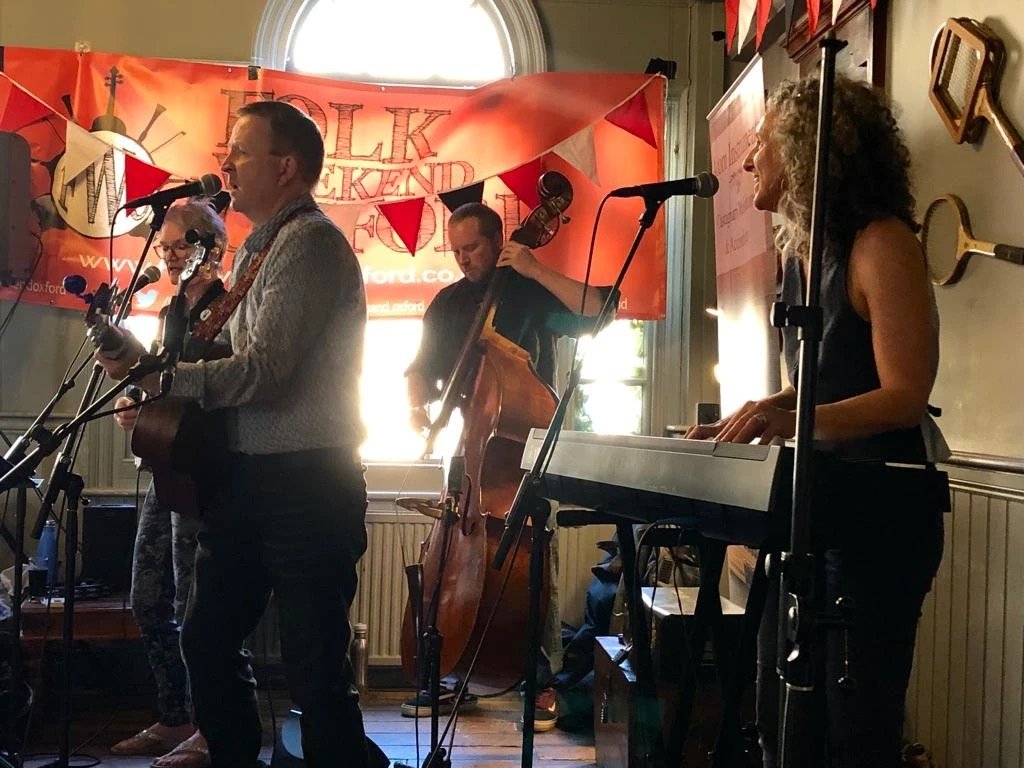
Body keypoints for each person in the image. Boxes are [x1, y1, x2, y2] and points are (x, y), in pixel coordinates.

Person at [97, 100, 385, 768]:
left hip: (310, 480)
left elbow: (268, 371)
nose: (225, 162)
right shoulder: (261, 247)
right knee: (206, 639)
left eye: (241, 151)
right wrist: (146, 371)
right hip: (250, 479)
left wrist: (160, 380)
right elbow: (220, 360)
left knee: (316, 667)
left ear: (285, 168)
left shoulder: (309, 242)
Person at [687, 75, 947, 768]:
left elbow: (903, 396)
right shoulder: (805, 258)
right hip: (819, 513)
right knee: (788, 721)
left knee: (854, 729)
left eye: (763, 146)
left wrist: (788, 419)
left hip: (880, 521)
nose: (747, 164)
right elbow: (811, 390)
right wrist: (753, 416)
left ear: (808, 152)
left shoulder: (881, 244)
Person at [404, 201, 615, 731]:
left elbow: (603, 308)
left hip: (525, 451)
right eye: (454, 251)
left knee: (530, 564)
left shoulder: (526, 290)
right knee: (451, 557)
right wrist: (414, 402)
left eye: (471, 248)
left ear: (499, 242)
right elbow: (420, 368)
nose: (462, 260)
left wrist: (536, 269)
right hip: (468, 448)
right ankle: (446, 671)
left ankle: (539, 679)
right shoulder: (449, 302)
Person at [108, 198, 227, 768]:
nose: (171, 256)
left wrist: (163, 395)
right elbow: (163, 384)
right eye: (164, 247)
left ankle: (212, 728)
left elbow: (227, 392)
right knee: (148, 596)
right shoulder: (170, 313)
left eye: (180, 245)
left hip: (206, 477)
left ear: (211, 246)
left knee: (200, 606)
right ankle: (174, 715)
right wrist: (136, 402)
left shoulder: (232, 308)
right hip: (164, 468)